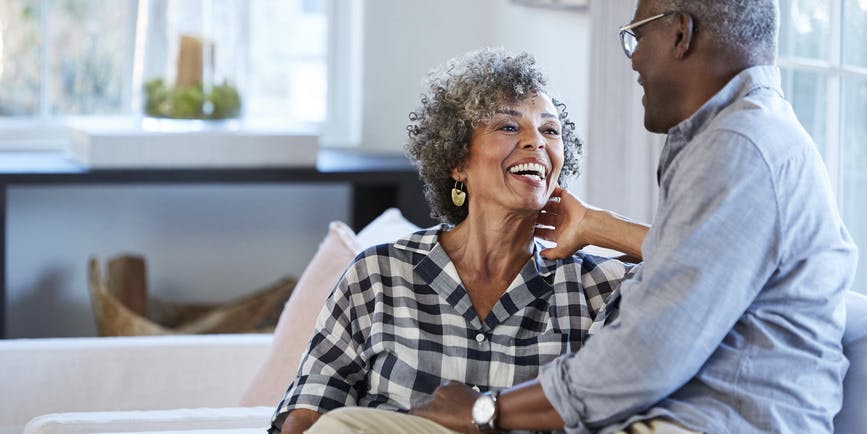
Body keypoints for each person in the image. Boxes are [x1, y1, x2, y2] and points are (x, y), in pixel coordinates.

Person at [412, 1, 858, 433]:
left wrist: (486, 411)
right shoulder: (740, 139)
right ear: (456, 159)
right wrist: (596, 225)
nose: (633, 60)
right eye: (509, 127)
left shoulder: (737, 150)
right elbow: (700, 264)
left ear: (680, 32)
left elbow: (645, 357)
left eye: (636, 36)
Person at [267, 48, 649, 434]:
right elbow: (310, 409)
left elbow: (704, 272)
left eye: (550, 130)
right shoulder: (379, 274)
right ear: (458, 161)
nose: (536, 142)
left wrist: (600, 224)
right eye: (509, 127)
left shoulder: (596, 287)